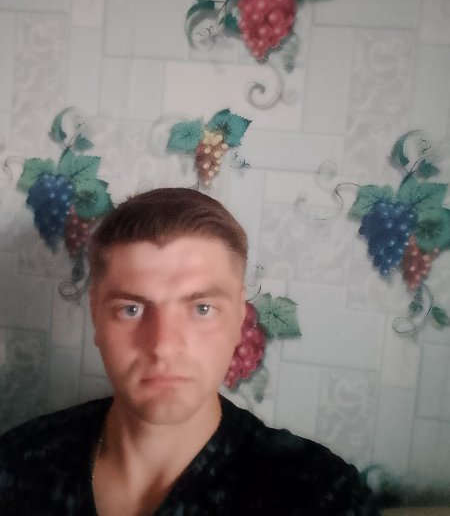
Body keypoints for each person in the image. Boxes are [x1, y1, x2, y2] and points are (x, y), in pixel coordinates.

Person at [0, 188, 378, 515]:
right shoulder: (17, 467)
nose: (163, 345)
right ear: (96, 315)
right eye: (131, 309)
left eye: (202, 309)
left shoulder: (319, 494)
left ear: (239, 318)